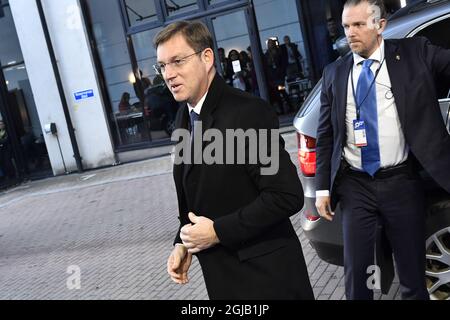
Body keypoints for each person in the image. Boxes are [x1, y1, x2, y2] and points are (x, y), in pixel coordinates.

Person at [154, 20, 313, 300]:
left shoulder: (247, 113)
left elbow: (286, 196)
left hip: (269, 280)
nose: (168, 74)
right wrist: (183, 242)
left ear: (206, 58)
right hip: (224, 281)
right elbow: (195, 194)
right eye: (163, 66)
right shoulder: (183, 116)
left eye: (177, 61)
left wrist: (216, 232)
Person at [315, 0, 450, 300]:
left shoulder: (415, 53)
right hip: (356, 186)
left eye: (359, 25)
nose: (350, 33)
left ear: (380, 25)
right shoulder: (334, 73)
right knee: (359, 279)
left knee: (412, 276)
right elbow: (325, 135)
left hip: (401, 182)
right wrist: (322, 188)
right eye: (346, 26)